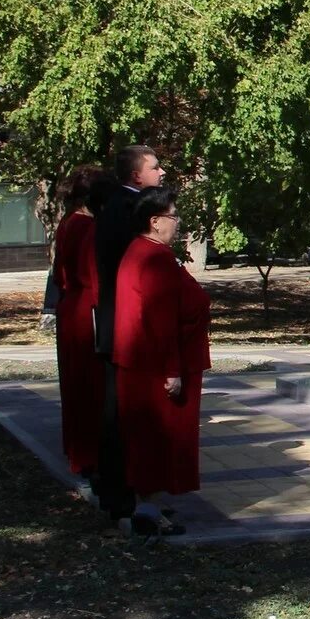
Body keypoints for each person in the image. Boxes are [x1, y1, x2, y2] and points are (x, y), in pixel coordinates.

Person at [112, 187, 209, 538]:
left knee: (150, 442)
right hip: (156, 367)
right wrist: (172, 370)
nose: (177, 222)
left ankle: (150, 505)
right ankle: (148, 511)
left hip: (146, 363)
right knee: (156, 442)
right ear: (155, 222)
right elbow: (161, 317)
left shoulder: (144, 252)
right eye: (173, 216)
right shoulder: (152, 258)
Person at [92, 144, 165, 522]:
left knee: (121, 413)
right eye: (155, 167)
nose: (161, 172)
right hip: (126, 326)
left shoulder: (118, 205)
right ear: (137, 175)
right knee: (123, 414)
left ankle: (123, 492)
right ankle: (121, 497)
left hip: (118, 322)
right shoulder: (125, 209)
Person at [52, 167, 112, 478]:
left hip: (71, 308)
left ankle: (77, 448)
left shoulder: (67, 222)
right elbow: (95, 277)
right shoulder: (87, 227)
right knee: (90, 386)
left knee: (75, 384)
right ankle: (89, 455)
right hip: (87, 310)